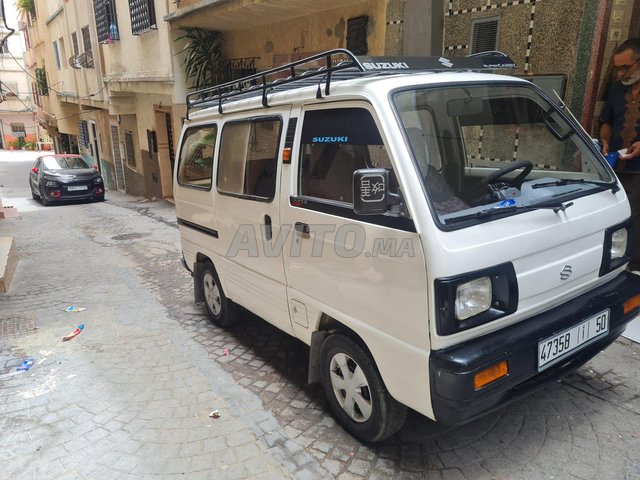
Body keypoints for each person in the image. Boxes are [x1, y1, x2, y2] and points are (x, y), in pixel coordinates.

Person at [600, 37, 640, 271]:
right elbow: (606, 120)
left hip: (638, 171)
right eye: (618, 68)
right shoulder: (616, 90)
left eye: (626, 67)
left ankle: (632, 268)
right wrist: (604, 139)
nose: (621, 73)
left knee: (634, 218)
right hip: (615, 168)